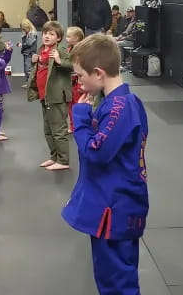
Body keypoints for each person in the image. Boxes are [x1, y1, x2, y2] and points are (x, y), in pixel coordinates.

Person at [61, 34, 149, 295]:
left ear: (98, 73)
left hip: (116, 207)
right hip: (112, 202)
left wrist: (80, 118)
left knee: (117, 282)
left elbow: (96, 153)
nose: (78, 83)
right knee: (110, 277)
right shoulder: (117, 103)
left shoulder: (121, 107)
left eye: (79, 76)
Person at [27, 21, 72, 171]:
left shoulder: (61, 49)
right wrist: (37, 61)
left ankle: (63, 160)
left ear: (58, 38)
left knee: (59, 129)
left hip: (57, 96)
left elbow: (72, 65)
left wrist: (60, 61)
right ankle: (54, 157)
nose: (47, 36)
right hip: (44, 96)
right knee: (48, 129)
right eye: (45, 33)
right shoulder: (42, 49)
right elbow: (43, 68)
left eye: (51, 34)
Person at [65, 26, 85, 133]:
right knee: (71, 104)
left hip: (78, 80)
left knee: (78, 103)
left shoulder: (81, 51)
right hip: (70, 80)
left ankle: (80, 125)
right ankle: (72, 126)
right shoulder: (69, 49)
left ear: (76, 38)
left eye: (69, 36)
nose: (66, 39)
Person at [18, 18, 38, 88]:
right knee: (26, 69)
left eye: (24, 29)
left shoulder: (32, 34)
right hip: (27, 53)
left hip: (30, 54)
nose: (23, 30)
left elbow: (29, 43)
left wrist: (22, 44)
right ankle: (28, 83)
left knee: (29, 70)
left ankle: (31, 84)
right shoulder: (28, 34)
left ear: (27, 27)